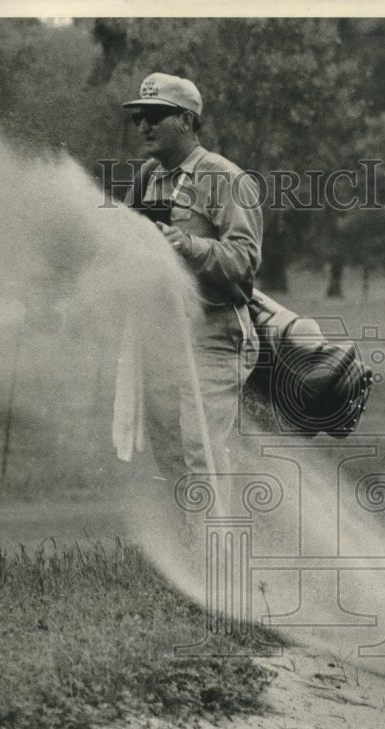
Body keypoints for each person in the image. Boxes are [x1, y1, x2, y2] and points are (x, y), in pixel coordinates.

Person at [118, 72, 262, 495]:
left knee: (203, 452)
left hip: (215, 332)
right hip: (163, 336)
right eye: (139, 117)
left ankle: (220, 554)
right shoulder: (147, 177)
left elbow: (245, 258)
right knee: (171, 457)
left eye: (155, 116)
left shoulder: (223, 176)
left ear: (186, 119)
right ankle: (195, 553)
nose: (143, 126)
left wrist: (189, 245)